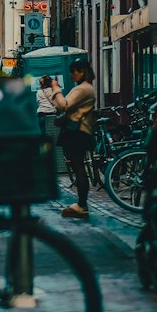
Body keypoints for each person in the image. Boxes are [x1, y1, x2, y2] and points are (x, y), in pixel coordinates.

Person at [51, 60, 98, 220]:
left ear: (82, 72)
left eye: (74, 72)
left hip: (78, 132)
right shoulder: (85, 88)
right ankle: (81, 204)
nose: (71, 75)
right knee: (78, 168)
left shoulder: (83, 89)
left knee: (79, 169)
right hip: (78, 132)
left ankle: (82, 205)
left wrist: (56, 89)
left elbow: (64, 105)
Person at [36, 74, 63, 142]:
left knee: (44, 136)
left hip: (41, 114)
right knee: (55, 135)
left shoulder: (38, 92)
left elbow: (38, 103)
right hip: (52, 114)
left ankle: (47, 150)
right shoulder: (53, 90)